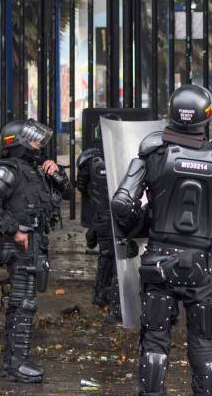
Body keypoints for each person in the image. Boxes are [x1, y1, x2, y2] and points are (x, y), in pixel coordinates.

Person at [111, 84, 212, 396]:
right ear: (207, 116)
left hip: (159, 261)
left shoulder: (153, 152)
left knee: (155, 343)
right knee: (205, 345)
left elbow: (121, 203)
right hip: (203, 265)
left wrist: (136, 230)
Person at [0, 119, 73, 383]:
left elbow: (69, 194)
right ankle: (16, 364)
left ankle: (14, 361)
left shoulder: (37, 169)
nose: (38, 145)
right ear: (18, 142)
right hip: (18, 246)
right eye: (33, 141)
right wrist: (14, 229)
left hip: (35, 246)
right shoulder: (9, 169)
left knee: (23, 304)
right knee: (23, 304)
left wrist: (57, 174)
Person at [76, 137, 121, 323]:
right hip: (117, 215)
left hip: (102, 215)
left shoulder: (91, 159)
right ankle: (110, 300)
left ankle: (103, 296)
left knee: (107, 256)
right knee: (116, 257)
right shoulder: (124, 155)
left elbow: (81, 186)